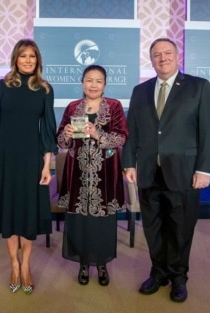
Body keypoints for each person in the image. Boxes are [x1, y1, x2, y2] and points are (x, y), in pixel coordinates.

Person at [122, 38, 210, 302]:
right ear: (151, 59)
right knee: (152, 227)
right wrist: (129, 163)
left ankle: (178, 277)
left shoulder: (198, 87)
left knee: (180, 228)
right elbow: (132, 131)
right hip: (148, 172)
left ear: (177, 56)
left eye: (167, 53)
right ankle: (159, 272)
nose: (162, 58)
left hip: (185, 172)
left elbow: (209, 131)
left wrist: (204, 170)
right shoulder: (140, 91)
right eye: (156, 54)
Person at [0, 39, 58, 294]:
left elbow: (47, 131)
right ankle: (13, 264)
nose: (28, 60)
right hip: (5, 158)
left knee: (28, 214)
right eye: (23, 56)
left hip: (32, 159)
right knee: (10, 212)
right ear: (16, 58)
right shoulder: (2, 86)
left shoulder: (44, 88)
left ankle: (26, 267)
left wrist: (46, 167)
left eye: (32, 56)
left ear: (37, 60)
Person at [57, 64, 128, 286]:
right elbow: (60, 140)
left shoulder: (114, 106)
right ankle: (84, 263)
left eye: (98, 81)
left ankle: (102, 264)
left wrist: (98, 134)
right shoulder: (72, 107)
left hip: (105, 174)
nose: (93, 84)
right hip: (77, 174)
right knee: (79, 221)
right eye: (89, 80)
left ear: (105, 84)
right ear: (82, 83)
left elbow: (122, 137)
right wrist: (66, 134)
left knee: (103, 222)